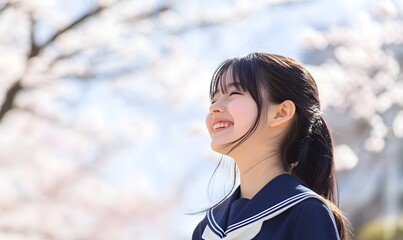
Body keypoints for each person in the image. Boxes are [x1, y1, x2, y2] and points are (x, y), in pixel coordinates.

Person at [192, 53, 350, 240]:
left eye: (234, 93)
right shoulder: (206, 229)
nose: (214, 107)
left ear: (281, 112)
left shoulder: (306, 212)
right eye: (214, 99)